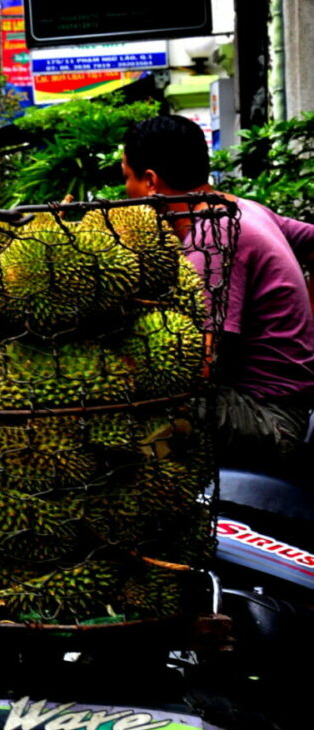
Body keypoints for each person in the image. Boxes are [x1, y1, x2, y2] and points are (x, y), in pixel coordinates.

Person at [122, 114, 314, 470]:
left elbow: (198, 365)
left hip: (268, 419)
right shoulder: (244, 209)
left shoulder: (210, 241)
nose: (126, 194)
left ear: (150, 181)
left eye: (127, 179)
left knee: (122, 419)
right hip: (290, 403)